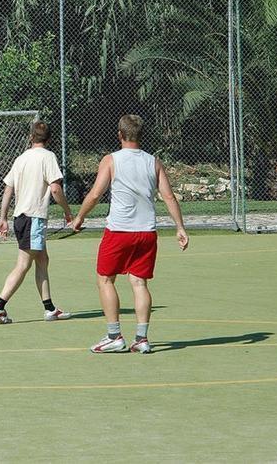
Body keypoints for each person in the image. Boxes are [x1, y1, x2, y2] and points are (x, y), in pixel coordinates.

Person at [72, 114, 189, 354]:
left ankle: (114, 336)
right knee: (139, 283)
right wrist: (180, 227)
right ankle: (141, 339)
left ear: (120, 135)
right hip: (146, 233)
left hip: (119, 231)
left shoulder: (111, 160)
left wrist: (80, 217)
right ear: (141, 135)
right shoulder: (153, 161)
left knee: (105, 279)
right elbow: (168, 196)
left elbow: (95, 194)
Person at [0, 121, 73, 325]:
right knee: (23, 264)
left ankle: (50, 309)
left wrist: (3, 218)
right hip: (34, 218)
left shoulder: (21, 159)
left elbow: (8, 189)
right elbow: (55, 189)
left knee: (42, 260)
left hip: (21, 218)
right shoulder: (48, 156)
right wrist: (68, 212)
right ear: (49, 139)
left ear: (30, 137)